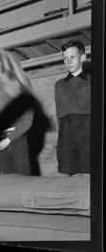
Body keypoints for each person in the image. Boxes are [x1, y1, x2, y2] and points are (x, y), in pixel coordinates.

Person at [0, 56, 34, 175]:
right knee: (5, 186)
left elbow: (27, 121)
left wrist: (8, 140)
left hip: (17, 141)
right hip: (0, 145)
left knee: (22, 183)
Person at [54, 40, 90, 177]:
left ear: (82, 57)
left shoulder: (94, 80)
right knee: (71, 174)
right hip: (66, 131)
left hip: (88, 129)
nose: (68, 61)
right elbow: (58, 113)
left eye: (72, 57)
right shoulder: (59, 85)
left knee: (88, 174)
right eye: (65, 58)